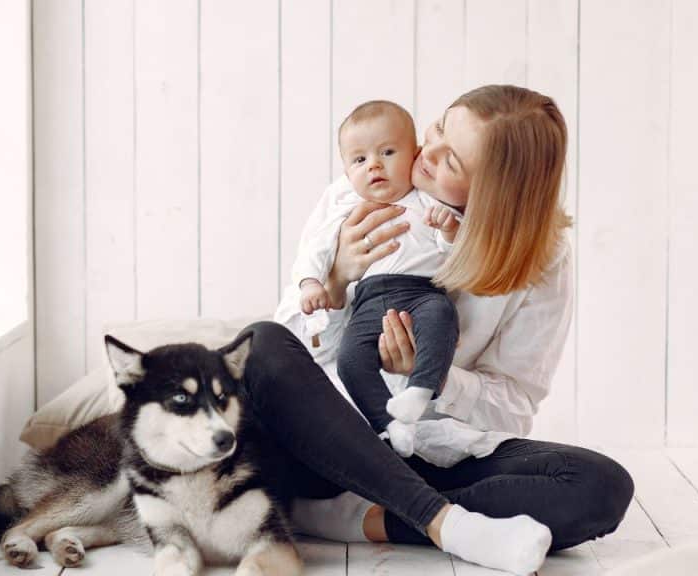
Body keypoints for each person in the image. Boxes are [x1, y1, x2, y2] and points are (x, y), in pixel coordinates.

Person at [242, 85, 634, 576]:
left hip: (427, 449)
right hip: (326, 445)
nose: (424, 154)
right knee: (260, 344)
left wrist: (437, 378)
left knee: (600, 486)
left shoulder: (543, 260)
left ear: (492, 196)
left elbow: (514, 404)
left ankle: (362, 517)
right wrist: (337, 283)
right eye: (440, 127)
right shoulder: (361, 191)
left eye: (452, 163)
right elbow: (289, 359)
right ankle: (443, 520)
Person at [287, 99, 464, 458]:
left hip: (422, 292)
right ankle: (389, 425)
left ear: (414, 153)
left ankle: (419, 390)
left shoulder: (426, 198)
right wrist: (313, 282)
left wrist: (447, 233)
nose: (375, 166)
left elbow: (452, 256)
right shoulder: (341, 204)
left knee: (442, 318)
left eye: (387, 152)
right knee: (352, 359)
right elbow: (315, 249)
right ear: (346, 170)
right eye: (359, 160)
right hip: (367, 300)